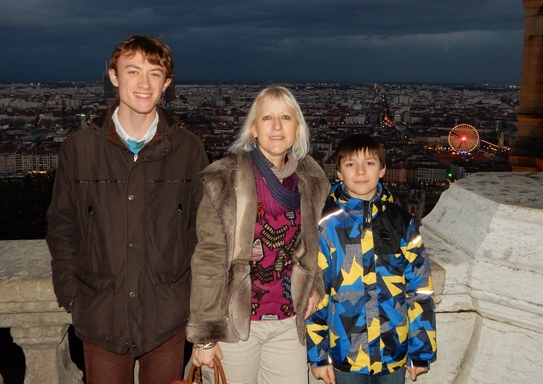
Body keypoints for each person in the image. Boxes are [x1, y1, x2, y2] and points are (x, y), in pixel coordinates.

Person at [46, 35, 209, 384]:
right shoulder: (79, 148)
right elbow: (63, 225)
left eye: (154, 74)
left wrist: (188, 296)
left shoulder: (188, 149)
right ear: (114, 76)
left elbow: (201, 231)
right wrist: (71, 292)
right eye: (132, 71)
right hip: (101, 311)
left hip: (166, 313)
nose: (143, 83)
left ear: (167, 84)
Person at [187, 86, 331, 384]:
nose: (277, 126)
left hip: (289, 321)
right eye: (267, 117)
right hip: (235, 323)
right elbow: (209, 259)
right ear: (253, 128)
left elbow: (316, 245)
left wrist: (315, 285)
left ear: (298, 127)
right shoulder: (224, 179)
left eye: (285, 117)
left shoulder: (312, 179)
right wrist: (204, 337)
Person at [307, 134, 436, 384]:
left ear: (382, 170)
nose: (360, 171)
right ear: (339, 172)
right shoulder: (324, 223)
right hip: (344, 355)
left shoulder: (401, 221)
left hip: (393, 353)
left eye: (369, 163)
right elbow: (315, 293)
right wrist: (318, 356)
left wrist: (420, 352)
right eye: (350, 164)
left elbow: (420, 288)